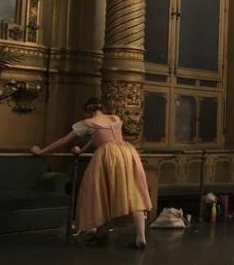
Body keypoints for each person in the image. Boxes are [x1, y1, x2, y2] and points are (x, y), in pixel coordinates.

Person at [30, 97, 152, 248]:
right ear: (101, 108)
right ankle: (140, 237)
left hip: (109, 154)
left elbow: (64, 140)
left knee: (100, 192)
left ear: (88, 110)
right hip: (127, 152)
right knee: (134, 193)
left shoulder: (87, 123)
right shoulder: (115, 118)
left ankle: (100, 232)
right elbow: (97, 137)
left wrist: (42, 151)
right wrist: (82, 150)